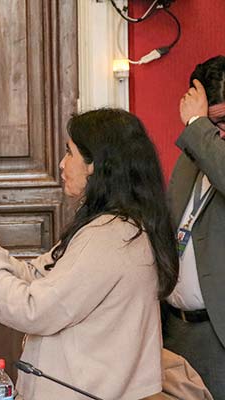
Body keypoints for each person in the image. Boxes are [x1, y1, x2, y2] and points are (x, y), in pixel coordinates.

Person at [0, 108, 179, 400]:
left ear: (95, 165)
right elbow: (37, 275)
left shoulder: (108, 236)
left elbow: (33, 308)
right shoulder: (119, 226)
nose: (61, 163)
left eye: (69, 153)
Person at [165, 55, 225, 398]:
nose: (218, 133)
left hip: (217, 335)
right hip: (177, 330)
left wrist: (198, 123)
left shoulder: (203, 142)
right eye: (212, 124)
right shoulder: (191, 156)